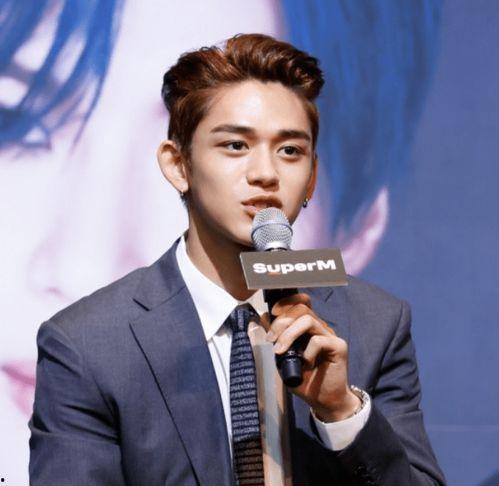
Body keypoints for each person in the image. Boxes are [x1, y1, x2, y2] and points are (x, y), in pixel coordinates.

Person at [29, 34, 445, 485]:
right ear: (178, 165)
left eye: (290, 151)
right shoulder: (89, 345)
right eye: (235, 146)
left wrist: (342, 411)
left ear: (311, 177)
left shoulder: (375, 325)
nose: (266, 173)